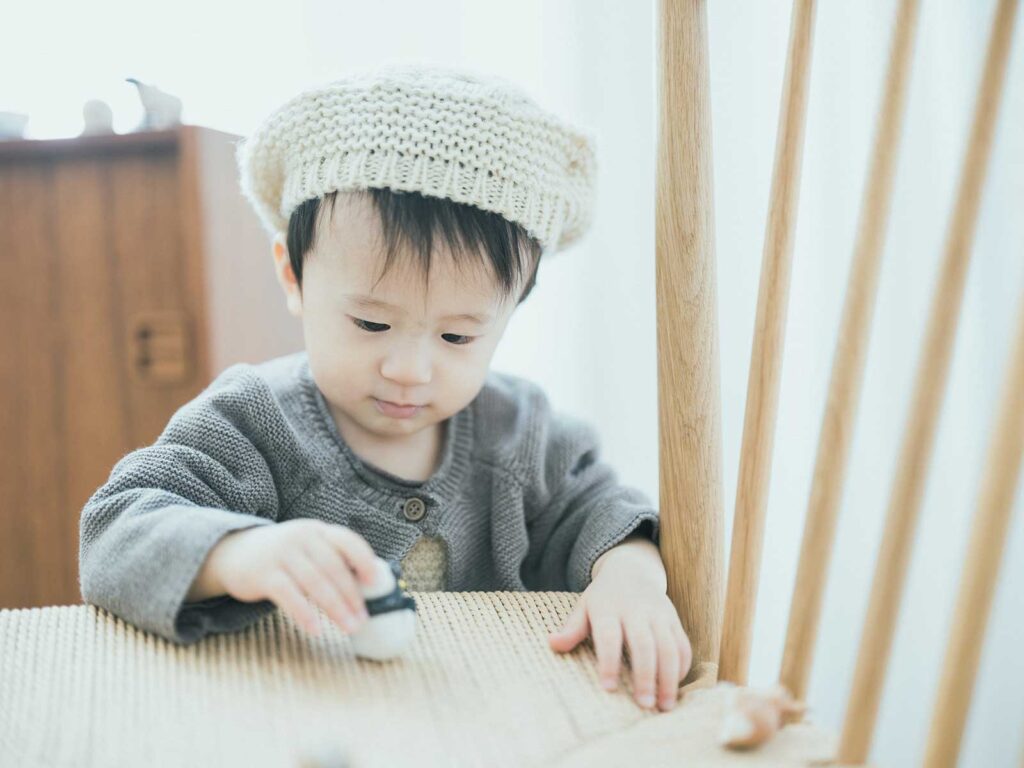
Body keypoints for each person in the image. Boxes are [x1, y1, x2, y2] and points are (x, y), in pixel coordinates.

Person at [78, 64, 691, 712]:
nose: (410, 369)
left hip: (492, 723)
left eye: (457, 337)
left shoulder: (522, 433)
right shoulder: (254, 422)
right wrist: (237, 552)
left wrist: (630, 576)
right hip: (298, 721)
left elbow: (600, 511)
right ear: (293, 275)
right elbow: (114, 531)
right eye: (372, 322)